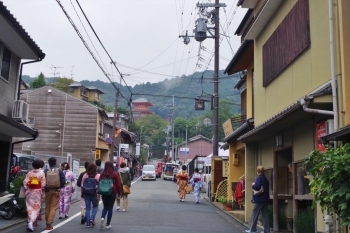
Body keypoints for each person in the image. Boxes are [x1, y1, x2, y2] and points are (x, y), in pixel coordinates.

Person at [23, 159, 46, 232]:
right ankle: (30, 222)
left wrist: (28, 186)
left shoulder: (30, 173)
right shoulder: (41, 173)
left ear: (32, 165)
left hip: (30, 192)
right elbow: (43, 184)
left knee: (29, 207)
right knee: (36, 208)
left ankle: (29, 222)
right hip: (37, 192)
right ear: (40, 165)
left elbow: (25, 182)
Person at [246, 165, 270, 233]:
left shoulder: (259, 178)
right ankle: (267, 231)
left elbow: (257, 187)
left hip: (259, 199)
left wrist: (253, 184)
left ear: (258, 171)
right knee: (265, 215)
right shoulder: (266, 179)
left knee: (255, 214)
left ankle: (252, 230)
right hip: (265, 199)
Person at [44, 157, 65, 230]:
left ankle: (47, 221)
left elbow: (43, 181)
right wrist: (59, 186)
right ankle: (49, 223)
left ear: (49, 163)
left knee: (48, 206)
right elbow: (63, 181)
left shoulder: (46, 170)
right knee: (53, 207)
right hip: (56, 190)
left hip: (47, 191)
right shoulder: (59, 171)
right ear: (55, 163)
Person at [99, 161, 120, 229]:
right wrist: (118, 193)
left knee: (105, 207)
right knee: (110, 208)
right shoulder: (114, 174)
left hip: (104, 192)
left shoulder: (102, 174)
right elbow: (118, 185)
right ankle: (108, 224)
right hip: (112, 192)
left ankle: (102, 217)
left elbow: (99, 182)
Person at [81, 163, 100, 228]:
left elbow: (82, 184)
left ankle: (88, 223)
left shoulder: (85, 175)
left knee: (87, 207)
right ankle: (92, 218)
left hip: (86, 193)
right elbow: (100, 185)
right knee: (95, 206)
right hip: (94, 193)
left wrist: (82, 193)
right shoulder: (97, 175)